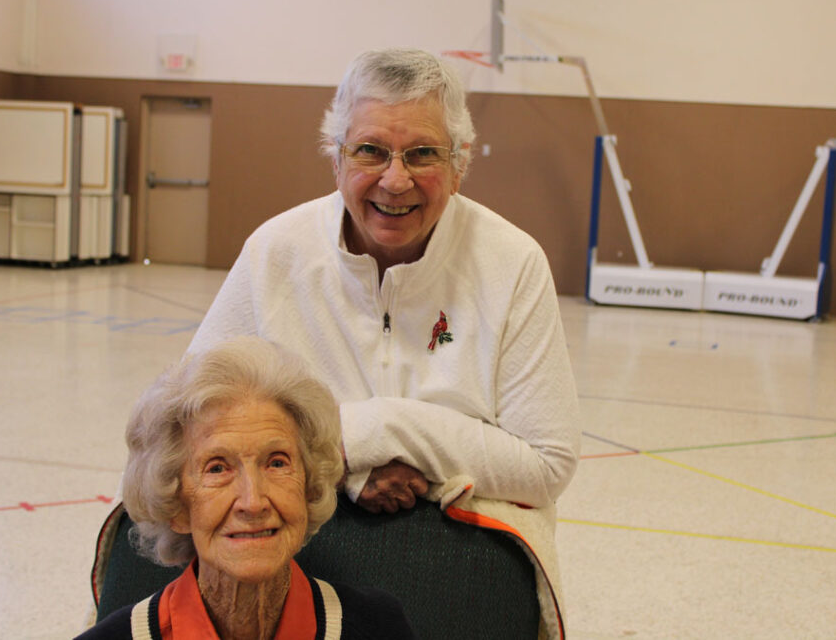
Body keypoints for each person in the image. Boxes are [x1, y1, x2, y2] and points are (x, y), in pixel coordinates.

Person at [188, 48, 581, 517]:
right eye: (371, 151)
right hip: (302, 526)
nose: (395, 181)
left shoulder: (513, 263)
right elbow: (196, 423)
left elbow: (547, 465)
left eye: (423, 155)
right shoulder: (275, 251)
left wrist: (377, 429)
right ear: (336, 160)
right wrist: (348, 470)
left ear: (460, 165)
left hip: (468, 536)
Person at [76, 337, 415, 639]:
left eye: (277, 463)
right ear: (177, 507)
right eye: (218, 468)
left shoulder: (378, 627)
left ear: (309, 487)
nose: (252, 503)